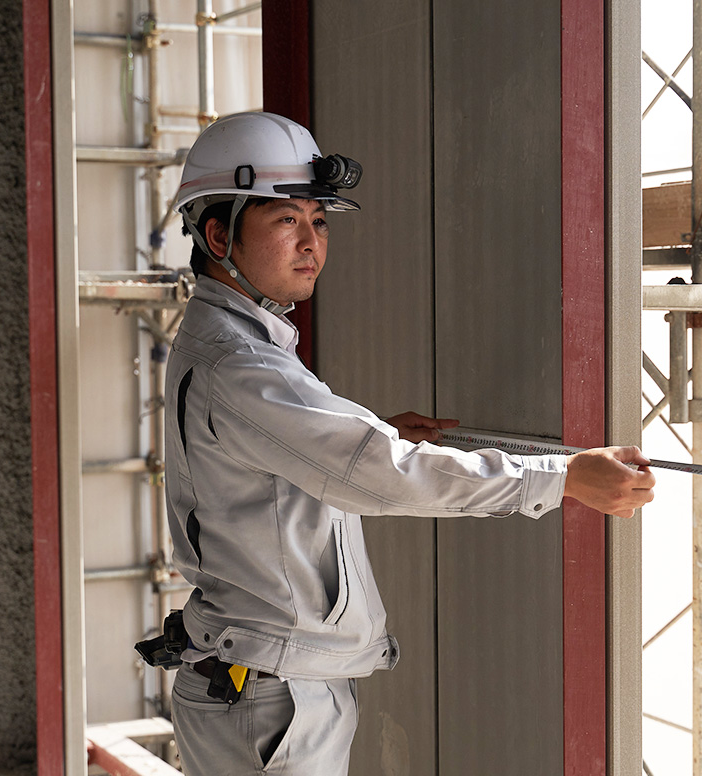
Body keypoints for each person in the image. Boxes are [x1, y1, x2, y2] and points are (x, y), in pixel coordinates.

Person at [162, 111, 654, 775]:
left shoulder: (239, 343)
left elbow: (290, 458)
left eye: (320, 221)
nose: (311, 242)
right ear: (217, 234)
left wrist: (375, 433)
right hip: (272, 701)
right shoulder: (240, 366)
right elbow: (381, 475)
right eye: (286, 220)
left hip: (259, 688)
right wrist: (562, 478)